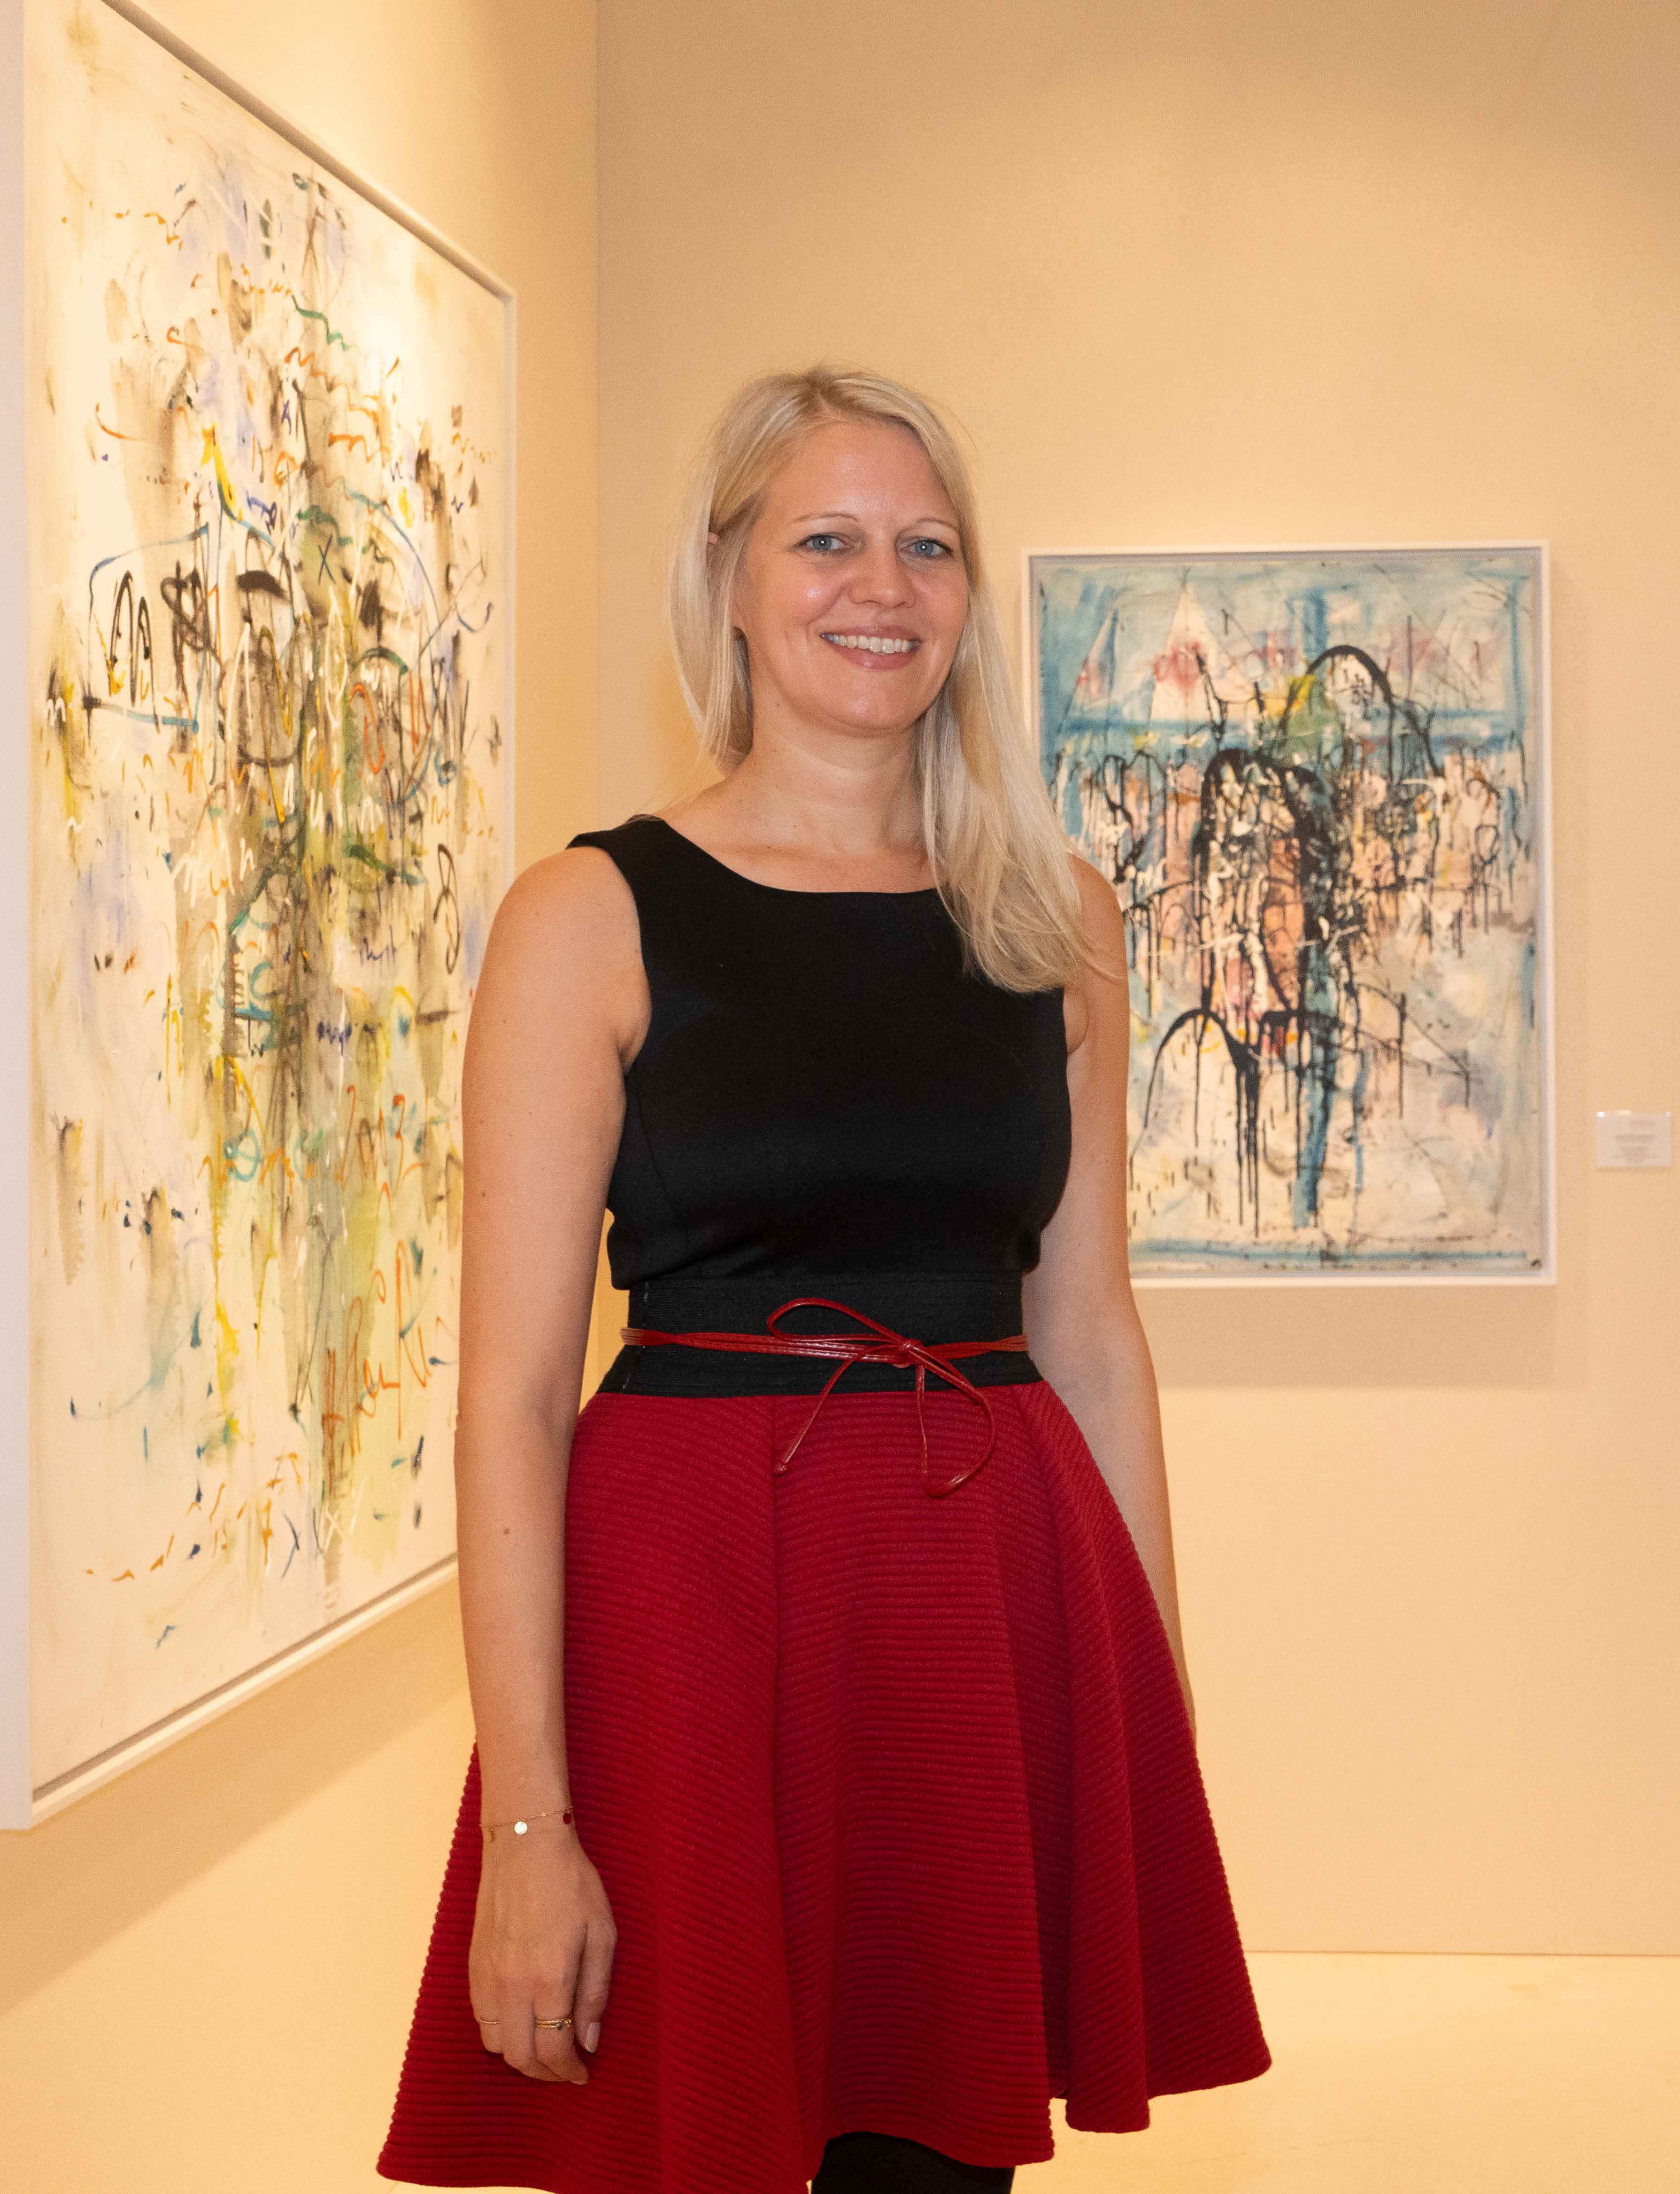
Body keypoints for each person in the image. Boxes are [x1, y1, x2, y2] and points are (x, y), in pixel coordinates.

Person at [376, 366, 1273, 2194]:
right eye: (828, 542)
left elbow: (1092, 1338)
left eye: (928, 547)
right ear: (729, 578)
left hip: (981, 1615)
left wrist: (1148, 1714)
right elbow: (513, 1400)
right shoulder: (590, 916)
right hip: (687, 1622)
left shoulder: (1058, 920)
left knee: (942, 2162)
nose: (884, 588)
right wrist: (531, 1821)